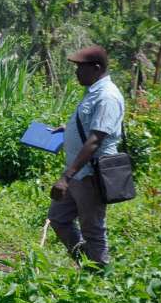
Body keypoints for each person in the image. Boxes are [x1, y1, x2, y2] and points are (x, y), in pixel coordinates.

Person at [48, 45, 124, 269]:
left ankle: (101, 276)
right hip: (77, 173)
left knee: (93, 229)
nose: (76, 72)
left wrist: (65, 178)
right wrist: (68, 128)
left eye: (80, 67)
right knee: (58, 218)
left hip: (90, 174)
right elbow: (91, 126)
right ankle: (86, 263)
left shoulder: (107, 96)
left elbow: (95, 140)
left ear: (97, 68)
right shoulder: (93, 92)